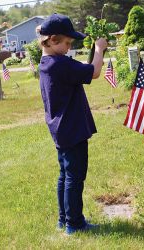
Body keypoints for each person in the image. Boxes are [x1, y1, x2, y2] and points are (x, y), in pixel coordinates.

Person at [36, 13, 108, 235]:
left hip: (61, 128)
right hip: (72, 128)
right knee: (75, 177)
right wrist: (99, 48)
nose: (69, 47)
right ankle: (74, 224)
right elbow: (94, 72)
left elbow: (84, 71)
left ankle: (63, 219)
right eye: (66, 43)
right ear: (53, 40)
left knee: (65, 175)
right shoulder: (60, 64)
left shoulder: (47, 62)